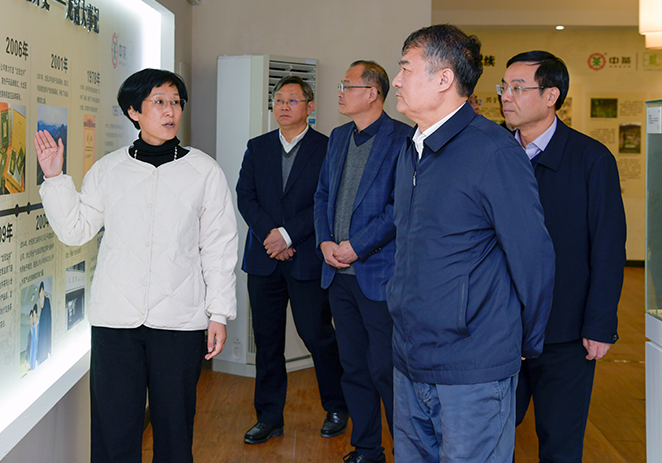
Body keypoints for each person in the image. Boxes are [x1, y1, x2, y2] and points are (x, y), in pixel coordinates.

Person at [35, 68, 237, 463]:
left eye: (176, 102)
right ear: (134, 111)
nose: (170, 111)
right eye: (159, 102)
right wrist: (55, 177)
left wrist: (219, 313)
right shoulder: (108, 169)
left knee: (175, 431)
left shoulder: (204, 171)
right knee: (114, 432)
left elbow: (219, 246)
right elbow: (76, 230)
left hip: (180, 321)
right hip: (116, 321)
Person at [388, 24, 555, 462]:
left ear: (444, 79)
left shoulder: (493, 152)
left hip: (474, 368)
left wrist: (522, 344)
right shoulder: (412, 148)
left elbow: (533, 259)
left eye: (406, 68)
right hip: (410, 360)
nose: (397, 80)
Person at [500, 51, 627, 463]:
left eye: (518, 87)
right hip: (496, 327)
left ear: (551, 95)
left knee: (561, 443)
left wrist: (600, 324)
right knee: (487, 440)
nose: (506, 96)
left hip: (566, 331)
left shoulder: (591, 159)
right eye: (504, 86)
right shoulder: (491, 154)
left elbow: (608, 247)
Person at [236, 75, 346, 445]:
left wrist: (287, 235)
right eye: (279, 100)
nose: (284, 106)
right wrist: (271, 235)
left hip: (306, 259)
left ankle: (337, 406)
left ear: (310, 107)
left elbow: (326, 201)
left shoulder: (327, 148)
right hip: (264, 259)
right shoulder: (258, 147)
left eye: (293, 100)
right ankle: (269, 417)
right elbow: (245, 196)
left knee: (317, 336)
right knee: (267, 342)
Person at [314, 60, 412, 463]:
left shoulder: (403, 138)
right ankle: (368, 449)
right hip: (338, 275)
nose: (339, 92)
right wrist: (324, 241)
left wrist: (358, 246)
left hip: (379, 275)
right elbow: (322, 194)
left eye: (347, 85)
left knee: (385, 369)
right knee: (353, 367)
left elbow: (399, 207)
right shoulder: (339, 137)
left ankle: (408, 451)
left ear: (372, 93)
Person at [36, 280, 52, 363]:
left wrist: (49, 348)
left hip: (45, 346)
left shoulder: (47, 303)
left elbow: (49, 326)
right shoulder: (41, 311)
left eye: (42, 296)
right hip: (41, 347)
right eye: (40, 297)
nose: (41, 299)